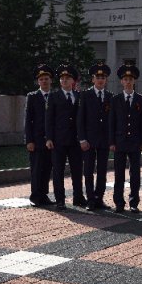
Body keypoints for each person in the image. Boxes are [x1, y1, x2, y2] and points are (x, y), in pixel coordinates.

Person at [109, 63, 142, 213]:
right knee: (119, 174)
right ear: (121, 81)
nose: (128, 81)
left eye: (130, 79)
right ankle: (119, 202)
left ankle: (133, 202)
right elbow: (112, 122)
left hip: (135, 142)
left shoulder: (141, 99)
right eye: (125, 79)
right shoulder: (115, 99)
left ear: (134, 81)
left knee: (135, 174)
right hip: (119, 141)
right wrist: (111, 141)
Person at [46, 64, 85, 210]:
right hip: (58, 140)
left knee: (77, 170)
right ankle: (60, 200)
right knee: (58, 171)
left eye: (67, 78)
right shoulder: (54, 96)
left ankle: (78, 197)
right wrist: (49, 138)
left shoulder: (79, 96)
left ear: (73, 81)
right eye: (62, 78)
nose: (64, 80)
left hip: (75, 140)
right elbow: (48, 119)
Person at [77, 62, 113, 211]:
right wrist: (82, 139)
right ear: (92, 79)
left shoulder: (110, 97)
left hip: (104, 140)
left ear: (106, 80)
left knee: (102, 171)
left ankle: (99, 198)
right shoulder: (85, 95)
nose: (100, 79)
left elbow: (112, 121)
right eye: (97, 77)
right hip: (89, 140)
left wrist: (111, 140)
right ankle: (90, 199)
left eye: (103, 77)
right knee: (89, 171)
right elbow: (80, 119)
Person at [25, 64, 55, 207]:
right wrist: (29, 140)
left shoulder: (55, 96)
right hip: (36, 141)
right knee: (36, 169)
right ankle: (35, 197)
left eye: (46, 79)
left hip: (51, 141)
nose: (44, 81)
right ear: (38, 82)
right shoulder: (32, 97)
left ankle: (44, 195)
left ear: (51, 81)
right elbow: (28, 120)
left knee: (47, 169)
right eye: (41, 79)